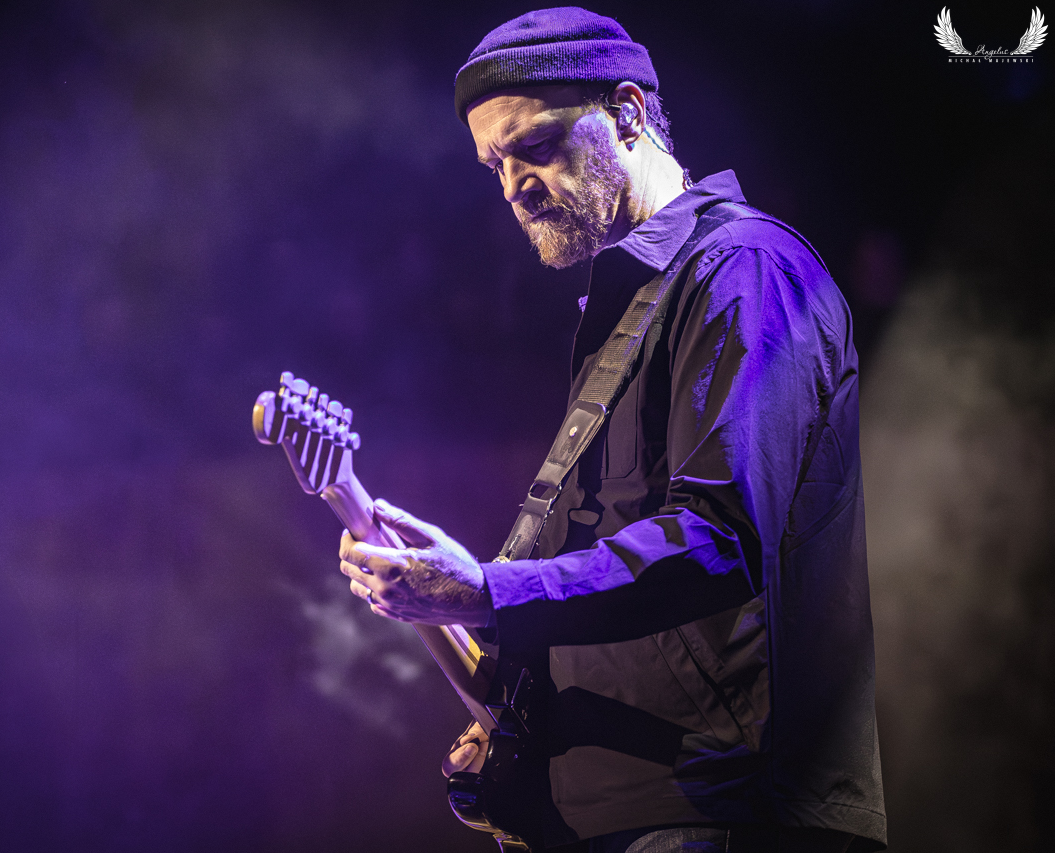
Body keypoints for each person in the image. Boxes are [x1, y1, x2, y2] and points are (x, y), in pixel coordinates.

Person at [337, 8, 886, 852]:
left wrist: (487, 589)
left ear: (627, 113)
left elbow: (719, 539)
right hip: (617, 816)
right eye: (493, 165)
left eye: (534, 146)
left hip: (721, 811)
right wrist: (481, 612)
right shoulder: (626, 308)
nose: (512, 185)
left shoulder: (743, 268)